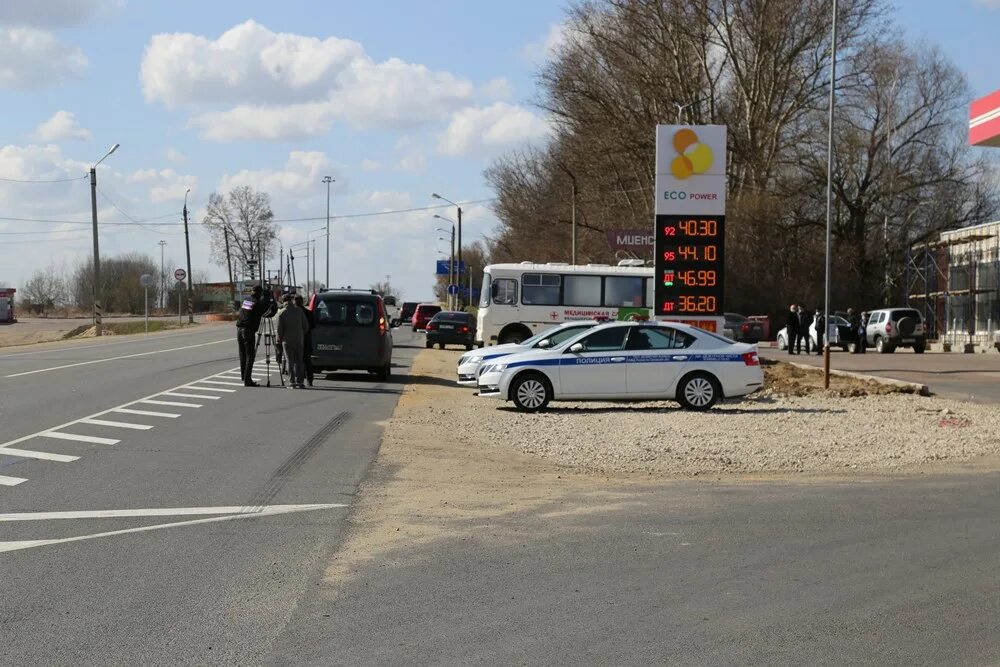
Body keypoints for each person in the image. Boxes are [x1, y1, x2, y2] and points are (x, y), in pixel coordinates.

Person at [235, 285, 272, 387]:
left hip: (239, 330)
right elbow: (268, 312)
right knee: (250, 355)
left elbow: (247, 313)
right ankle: (248, 380)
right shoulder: (258, 303)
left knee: (243, 355)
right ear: (259, 293)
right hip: (248, 331)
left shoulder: (246, 301)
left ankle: (244, 376)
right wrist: (269, 299)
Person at [276, 294, 309, 389]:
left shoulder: (282, 312)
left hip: (287, 341)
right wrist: (301, 334)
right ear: (291, 300)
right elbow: (306, 326)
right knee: (299, 361)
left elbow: (279, 330)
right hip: (299, 340)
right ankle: (301, 382)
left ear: (283, 302)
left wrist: (279, 340)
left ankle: (292, 382)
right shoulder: (299, 311)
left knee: (289, 361)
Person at [294, 294, 316, 387]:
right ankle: (309, 380)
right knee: (307, 361)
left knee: (298, 361)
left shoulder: (294, 313)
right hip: (306, 340)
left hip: (297, 340)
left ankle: (299, 379)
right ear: (302, 302)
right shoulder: (308, 313)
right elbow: (313, 326)